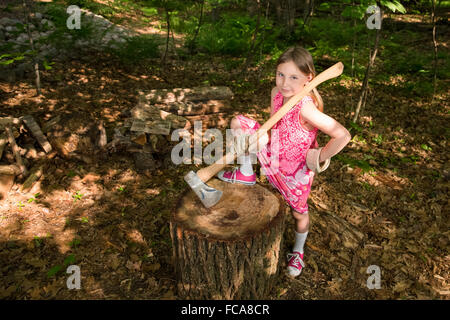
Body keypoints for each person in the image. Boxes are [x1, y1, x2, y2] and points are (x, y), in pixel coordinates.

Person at [217, 46, 352, 277]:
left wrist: (320, 156)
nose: (284, 83)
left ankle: (298, 251)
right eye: (281, 74)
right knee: (239, 123)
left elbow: (343, 134)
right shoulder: (276, 93)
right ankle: (247, 172)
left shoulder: (307, 107)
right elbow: (275, 123)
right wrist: (262, 137)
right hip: (272, 155)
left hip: (294, 172)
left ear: (308, 78)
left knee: (299, 214)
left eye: (293, 77)